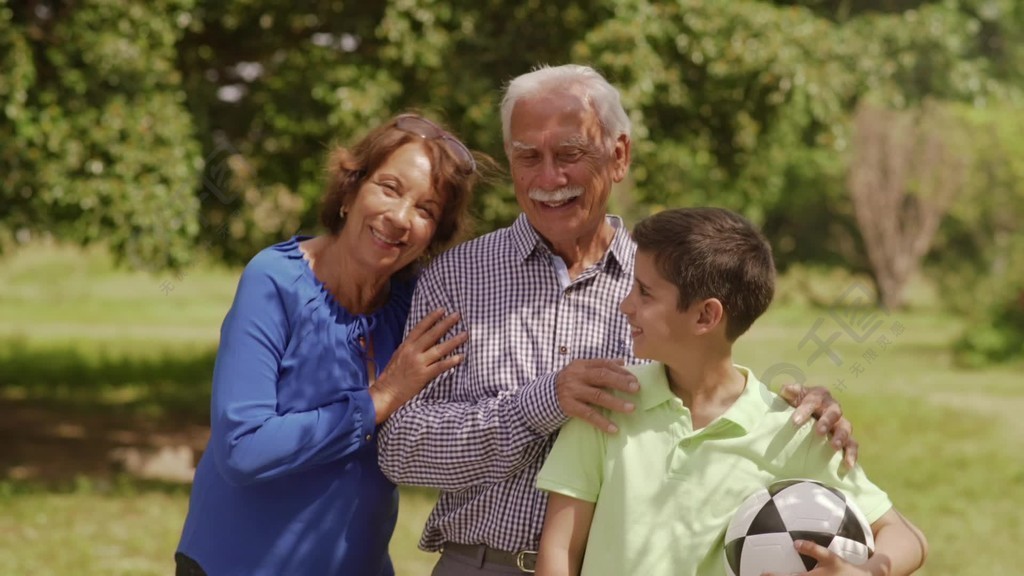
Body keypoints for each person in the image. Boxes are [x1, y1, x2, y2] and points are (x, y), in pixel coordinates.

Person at [377, 64, 858, 575]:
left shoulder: (664, 287)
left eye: (569, 154)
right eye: (528, 157)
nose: (548, 179)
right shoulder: (457, 277)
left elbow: (709, 401)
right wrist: (538, 405)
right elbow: (401, 450)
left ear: (619, 155)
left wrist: (801, 419)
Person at [534, 207, 928, 576]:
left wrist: (869, 572)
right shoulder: (605, 404)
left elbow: (905, 536)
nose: (626, 305)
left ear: (706, 315)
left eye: (645, 293)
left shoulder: (790, 429)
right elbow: (560, 549)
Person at [175, 113, 487, 576]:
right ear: (350, 190)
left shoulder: (417, 305)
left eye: (426, 210)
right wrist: (380, 399)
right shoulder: (276, 281)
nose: (400, 218)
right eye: (389, 187)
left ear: (432, 237)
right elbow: (243, 447)